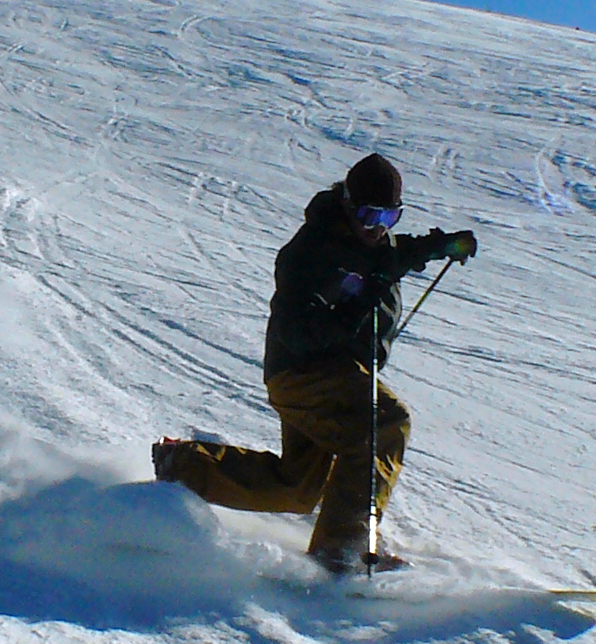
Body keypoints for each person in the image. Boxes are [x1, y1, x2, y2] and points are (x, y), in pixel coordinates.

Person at [152, 153, 476, 574]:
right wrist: (357, 304)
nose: (378, 228)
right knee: (385, 422)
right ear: (347, 203)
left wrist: (441, 246)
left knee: (299, 487)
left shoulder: (373, 243)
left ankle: (183, 465)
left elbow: (395, 256)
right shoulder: (310, 252)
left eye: (389, 217)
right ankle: (339, 553)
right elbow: (298, 331)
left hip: (334, 375)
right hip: (306, 372)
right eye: (369, 215)